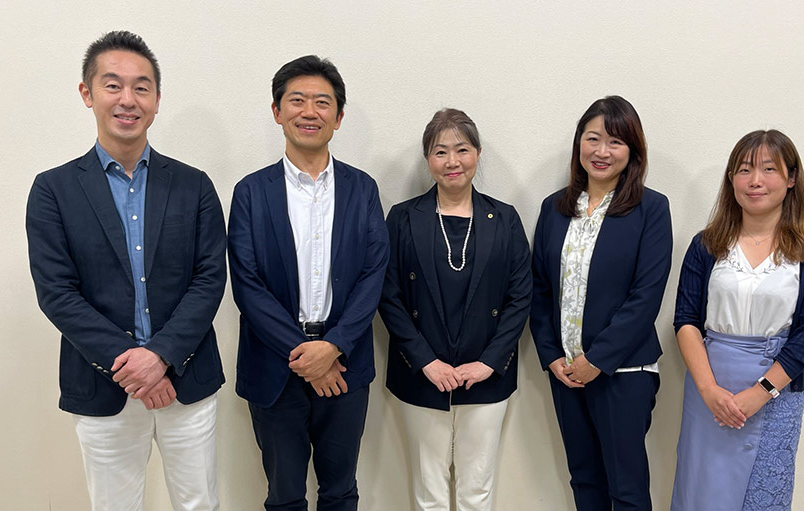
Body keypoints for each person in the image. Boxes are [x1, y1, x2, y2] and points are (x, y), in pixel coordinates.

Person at [26, 31, 226, 511]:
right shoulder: (53, 190)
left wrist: (161, 356)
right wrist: (133, 365)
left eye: (141, 87)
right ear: (87, 93)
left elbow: (209, 279)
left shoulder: (194, 185)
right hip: (102, 385)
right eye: (112, 85)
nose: (128, 99)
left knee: (200, 504)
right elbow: (57, 293)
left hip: (187, 380)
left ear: (156, 99)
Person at [227, 55, 389, 511]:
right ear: (277, 111)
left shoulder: (362, 189)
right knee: (284, 496)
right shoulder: (250, 192)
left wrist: (333, 347)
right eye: (297, 100)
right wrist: (305, 355)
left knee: (341, 492)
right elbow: (247, 285)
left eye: (322, 102)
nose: (309, 111)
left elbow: (373, 274)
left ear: (338, 117)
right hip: (274, 366)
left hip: (345, 364)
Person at [670, 130, 804, 511]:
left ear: (791, 178)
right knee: (699, 491)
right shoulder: (706, 245)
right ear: (731, 180)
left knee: (763, 495)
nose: (755, 180)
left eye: (768, 169)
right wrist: (709, 391)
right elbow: (686, 321)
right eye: (744, 170)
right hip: (707, 390)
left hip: (775, 393)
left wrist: (759, 394)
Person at [379, 109, 531, 511]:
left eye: (462, 149)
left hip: (486, 375)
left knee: (476, 490)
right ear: (427, 158)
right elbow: (388, 296)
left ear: (477, 154)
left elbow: (521, 297)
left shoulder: (505, 219)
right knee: (428, 490)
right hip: (421, 373)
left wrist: (489, 363)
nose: (452, 161)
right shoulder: (403, 218)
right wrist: (425, 361)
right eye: (440, 151)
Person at [530, 96, 672, 510]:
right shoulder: (555, 208)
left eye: (615, 141)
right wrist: (551, 357)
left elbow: (646, 296)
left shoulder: (651, 209)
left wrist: (597, 359)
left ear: (633, 151)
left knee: (626, 489)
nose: (602, 151)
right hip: (566, 373)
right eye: (593, 139)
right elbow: (540, 289)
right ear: (579, 143)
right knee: (584, 481)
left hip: (622, 372)